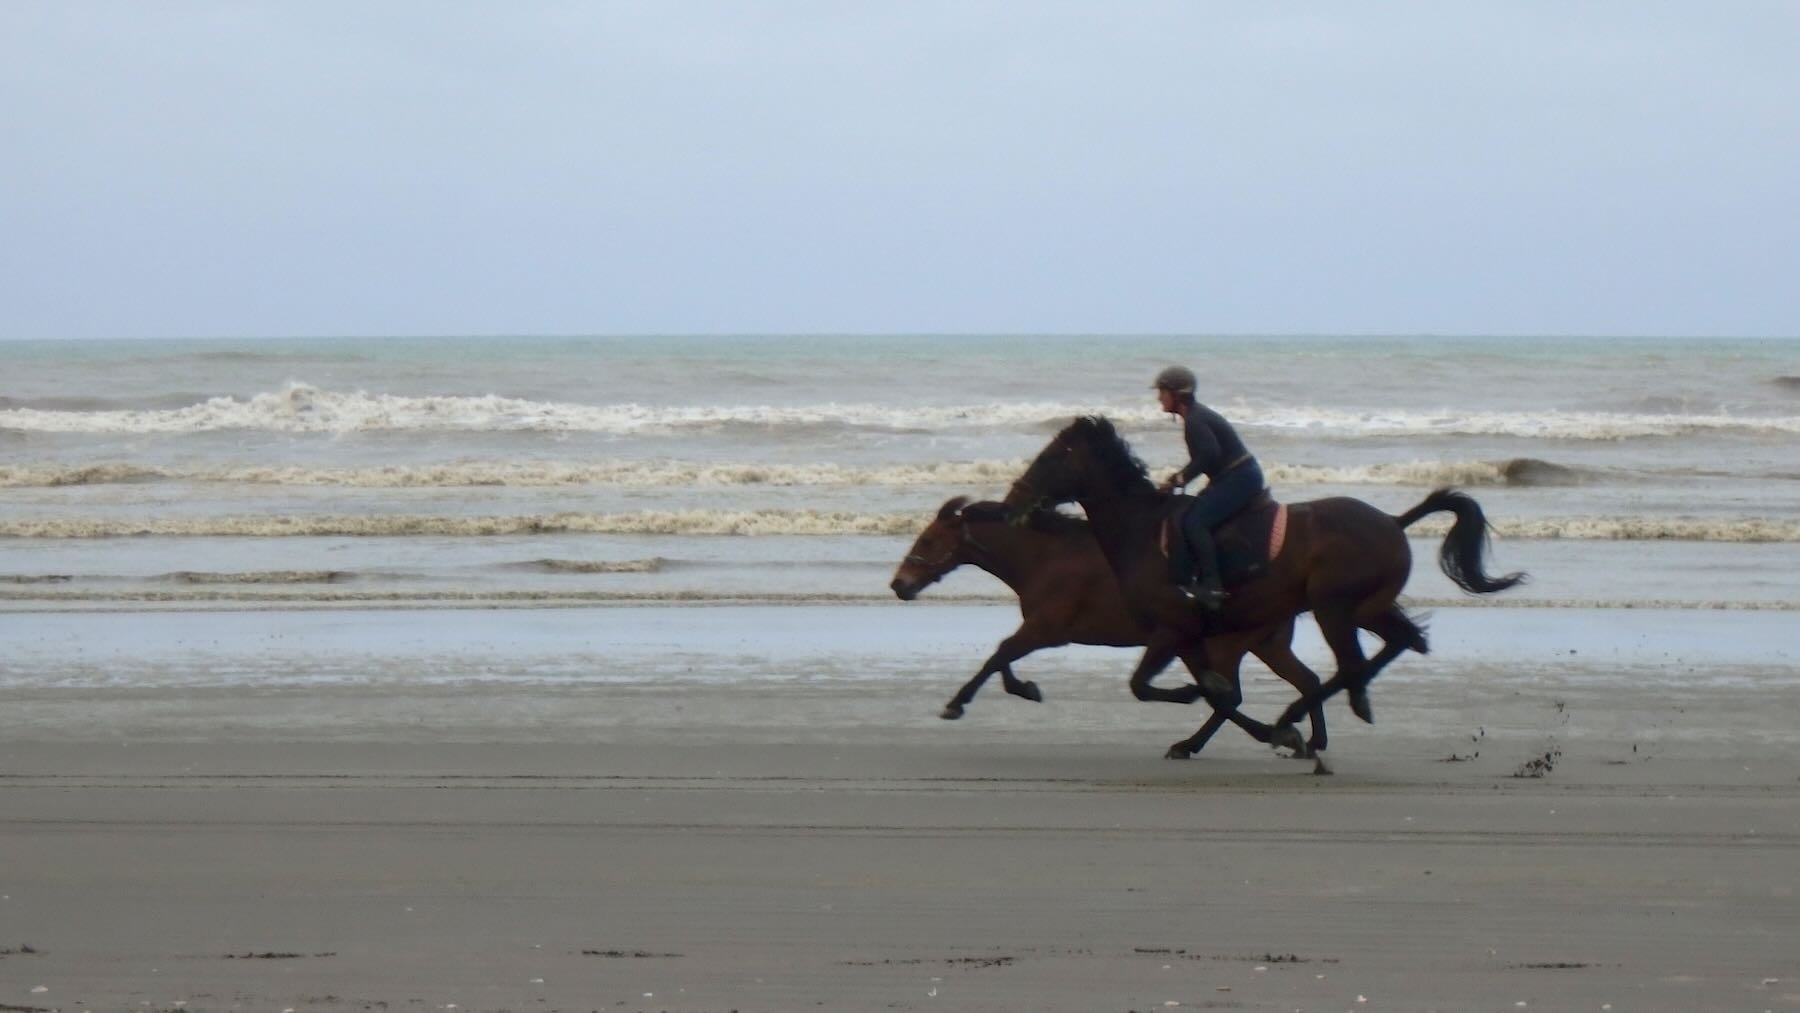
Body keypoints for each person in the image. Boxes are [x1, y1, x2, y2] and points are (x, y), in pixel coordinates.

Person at [1151, 365, 1266, 611]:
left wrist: (1178, 479)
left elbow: (1209, 454)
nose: (1159, 397)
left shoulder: (1195, 420)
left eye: (1162, 391)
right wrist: (1178, 479)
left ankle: (1212, 585)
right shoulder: (1195, 416)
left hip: (1240, 477)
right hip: (1234, 476)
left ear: (1177, 394)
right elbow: (1208, 457)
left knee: (1195, 522)